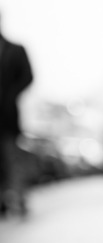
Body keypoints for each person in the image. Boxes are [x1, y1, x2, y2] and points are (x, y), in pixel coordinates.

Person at [0, 15, 33, 217]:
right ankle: (3, 201)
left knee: (12, 158)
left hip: (7, 116)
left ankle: (19, 199)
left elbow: (28, 76)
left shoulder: (16, 49)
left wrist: (11, 94)